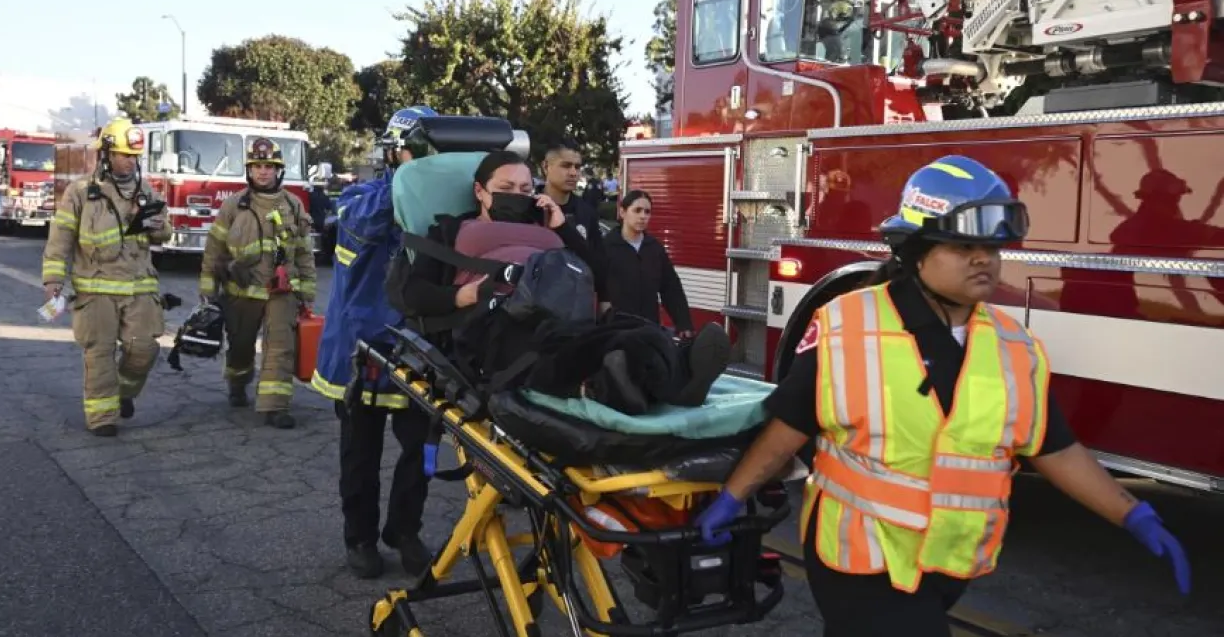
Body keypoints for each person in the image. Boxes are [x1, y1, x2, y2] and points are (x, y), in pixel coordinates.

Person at [695, 155, 1191, 636]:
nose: (984, 261)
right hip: (861, 563)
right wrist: (731, 499)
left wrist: (1132, 512)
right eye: (963, 248)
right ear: (916, 251)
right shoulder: (848, 327)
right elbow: (788, 431)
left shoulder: (1013, 347)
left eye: (993, 250)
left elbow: (1052, 447)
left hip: (945, 567)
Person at [399, 151, 729, 413]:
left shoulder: (548, 229)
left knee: (635, 330)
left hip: (563, 315)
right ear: (480, 192)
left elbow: (600, 272)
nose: (518, 196)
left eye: (526, 190)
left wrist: (562, 227)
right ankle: (620, 384)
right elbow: (411, 294)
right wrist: (464, 295)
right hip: (498, 322)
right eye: (505, 190)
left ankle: (678, 376)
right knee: (563, 346)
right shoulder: (451, 231)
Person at [310, 106, 436, 580]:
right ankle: (359, 538)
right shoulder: (360, 197)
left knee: (420, 453)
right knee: (360, 455)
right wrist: (412, 176)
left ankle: (404, 531)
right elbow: (371, 220)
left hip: (416, 350)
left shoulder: (441, 202)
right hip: (362, 349)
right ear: (394, 153)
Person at [41, 118, 173, 436]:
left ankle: (124, 393)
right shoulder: (81, 193)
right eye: (125, 155)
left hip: (140, 288)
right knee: (99, 353)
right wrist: (53, 280)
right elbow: (60, 238)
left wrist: (159, 227)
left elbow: (165, 231)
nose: (130, 161)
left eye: (134, 156)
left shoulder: (147, 192)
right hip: (95, 289)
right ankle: (102, 418)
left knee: (144, 350)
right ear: (107, 155)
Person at [200, 137, 318, 429]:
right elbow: (214, 248)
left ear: (279, 170)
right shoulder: (233, 205)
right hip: (241, 291)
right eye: (257, 166)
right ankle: (237, 383)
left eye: (269, 166)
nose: (263, 172)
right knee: (240, 347)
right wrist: (207, 288)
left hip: (281, 291)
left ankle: (275, 407)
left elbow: (304, 250)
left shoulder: (293, 205)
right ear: (249, 171)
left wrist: (307, 289)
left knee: (281, 347)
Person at [603, 190, 694, 338]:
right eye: (637, 210)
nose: (643, 216)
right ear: (623, 212)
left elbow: (671, 288)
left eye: (647, 212)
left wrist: (684, 324)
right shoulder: (607, 247)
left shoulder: (654, 248)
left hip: (649, 331)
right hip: (616, 333)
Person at [537, 137, 608, 308]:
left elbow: (598, 262)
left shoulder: (586, 212)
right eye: (566, 165)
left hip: (575, 306)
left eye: (577, 167)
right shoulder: (529, 207)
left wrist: (605, 302)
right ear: (546, 166)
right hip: (534, 303)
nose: (573, 173)